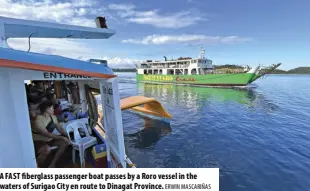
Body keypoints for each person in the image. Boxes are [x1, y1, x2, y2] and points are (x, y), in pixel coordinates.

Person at [32, 100, 70, 168]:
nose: (53, 109)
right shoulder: (38, 120)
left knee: (64, 142)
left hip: (49, 140)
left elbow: (60, 129)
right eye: (52, 108)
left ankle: (53, 164)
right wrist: (61, 137)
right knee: (47, 149)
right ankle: (37, 166)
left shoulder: (53, 117)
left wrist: (68, 136)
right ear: (47, 109)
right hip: (38, 141)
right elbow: (47, 134)